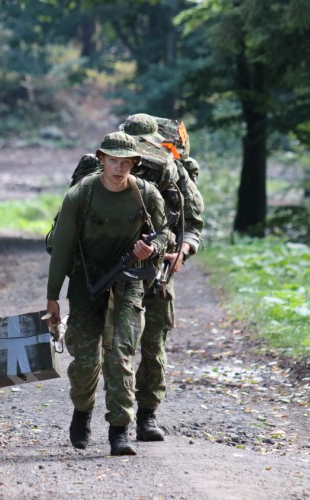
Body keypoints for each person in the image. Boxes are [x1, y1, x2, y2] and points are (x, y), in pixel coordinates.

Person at [45, 132, 168, 456]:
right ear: (101, 159)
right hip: (87, 281)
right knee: (85, 359)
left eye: (126, 161)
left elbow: (164, 233)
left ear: (133, 163)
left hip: (128, 284)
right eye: (113, 160)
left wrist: (151, 248)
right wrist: (52, 296)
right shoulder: (81, 195)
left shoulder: (146, 195)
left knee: (120, 353)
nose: (119, 167)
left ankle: (119, 431)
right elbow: (62, 248)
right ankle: (82, 413)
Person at [121, 113, 204, 442]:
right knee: (116, 346)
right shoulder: (104, 164)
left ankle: (147, 414)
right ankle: (119, 417)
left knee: (153, 345)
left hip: (158, 271)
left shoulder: (172, 170)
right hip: (115, 270)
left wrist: (182, 251)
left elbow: (193, 223)